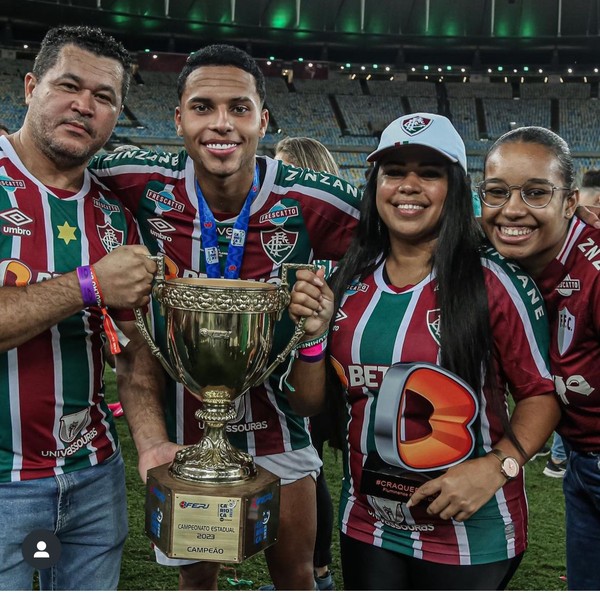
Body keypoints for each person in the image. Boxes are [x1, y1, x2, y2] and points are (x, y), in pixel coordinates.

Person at [90, 44, 361, 590]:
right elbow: (47, 161)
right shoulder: (138, 180)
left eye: (239, 108)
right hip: (186, 436)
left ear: (263, 118)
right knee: (198, 585)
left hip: (279, 424)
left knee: (298, 577)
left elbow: (405, 237)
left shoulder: (316, 200)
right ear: (179, 118)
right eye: (202, 107)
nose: (221, 124)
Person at [285, 113, 560, 590]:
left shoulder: (495, 282)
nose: (409, 185)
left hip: (472, 533)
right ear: (376, 185)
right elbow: (310, 404)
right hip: (367, 523)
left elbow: (541, 395)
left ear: (454, 187)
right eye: (394, 172)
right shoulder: (347, 281)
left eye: (429, 173)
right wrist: (312, 335)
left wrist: (496, 468)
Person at [0, 25, 160, 590]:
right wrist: (88, 283)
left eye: (104, 97)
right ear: (29, 87)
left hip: (95, 478)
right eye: (69, 86)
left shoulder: (115, 214)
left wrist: (153, 443)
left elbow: (133, 352)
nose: (84, 106)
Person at [478, 125, 600, 590]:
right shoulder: (506, 251)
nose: (512, 209)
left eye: (535, 193)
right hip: (582, 462)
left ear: (569, 203)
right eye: (497, 192)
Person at [273, 135, 340, 591]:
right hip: (317, 362)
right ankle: (318, 568)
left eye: (282, 170)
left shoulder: (318, 231)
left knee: (308, 465)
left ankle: (317, 569)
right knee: (312, 465)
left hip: (320, 366)